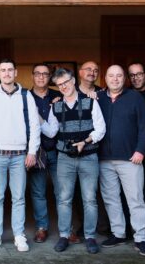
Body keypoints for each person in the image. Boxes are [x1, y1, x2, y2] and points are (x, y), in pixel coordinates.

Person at [0, 59, 40, 253]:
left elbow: (34, 125)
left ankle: (19, 235)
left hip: (19, 156)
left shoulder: (26, 95)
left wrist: (32, 151)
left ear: (15, 73)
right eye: (3, 70)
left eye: (10, 70)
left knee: (19, 197)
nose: (6, 73)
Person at [48, 67, 106, 254]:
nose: (63, 86)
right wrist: (37, 116)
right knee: (64, 199)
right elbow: (50, 131)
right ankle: (64, 235)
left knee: (89, 199)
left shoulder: (90, 102)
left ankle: (90, 237)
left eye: (66, 82)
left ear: (73, 80)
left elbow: (100, 129)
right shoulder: (56, 106)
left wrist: (86, 141)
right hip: (64, 158)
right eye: (59, 84)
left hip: (89, 157)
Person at [97, 65, 145, 257]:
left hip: (131, 159)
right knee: (111, 199)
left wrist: (140, 151)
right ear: (105, 78)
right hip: (104, 159)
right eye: (111, 75)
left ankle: (141, 238)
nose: (115, 79)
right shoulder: (98, 98)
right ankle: (119, 233)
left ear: (124, 78)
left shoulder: (135, 98)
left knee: (136, 200)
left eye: (119, 75)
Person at [28, 63, 62, 244]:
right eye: (38, 74)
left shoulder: (58, 95)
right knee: (38, 191)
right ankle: (42, 227)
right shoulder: (25, 97)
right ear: (32, 75)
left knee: (62, 192)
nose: (41, 77)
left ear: (50, 77)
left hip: (57, 150)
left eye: (45, 74)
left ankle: (66, 229)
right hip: (37, 152)